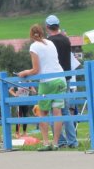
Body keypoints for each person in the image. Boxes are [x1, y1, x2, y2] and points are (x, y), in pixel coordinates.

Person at [18, 24, 66, 151]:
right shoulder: (50, 43)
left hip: (47, 81)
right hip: (60, 78)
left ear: (31, 35)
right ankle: (56, 143)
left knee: (43, 112)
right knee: (57, 112)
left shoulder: (34, 46)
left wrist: (24, 72)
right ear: (42, 33)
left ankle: (45, 142)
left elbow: (36, 69)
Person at [45, 15, 78, 148]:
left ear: (47, 27)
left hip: (53, 78)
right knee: (65, 111)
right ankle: (72, 141)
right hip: (67, 77)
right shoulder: (66, 39)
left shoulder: (48, 42)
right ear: (58, 25)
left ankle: (60, 140)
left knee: (55, 110)